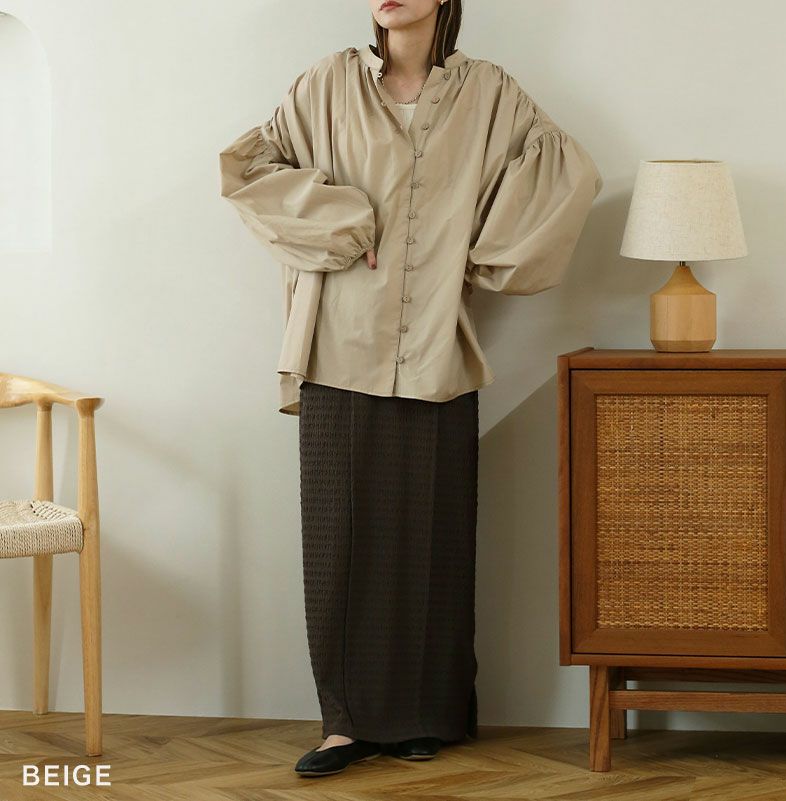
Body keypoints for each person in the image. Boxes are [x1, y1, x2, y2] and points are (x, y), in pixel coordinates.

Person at [218, 0, 603, 779]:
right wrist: (343, 220)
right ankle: (345, 724)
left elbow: (565, 172)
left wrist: (479, 249)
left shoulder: (489, 92)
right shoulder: (326, 85)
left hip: (436, 344)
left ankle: (427, 715)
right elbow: (249, 170)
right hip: (338, 341)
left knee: (434, 537)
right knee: (340, 541)